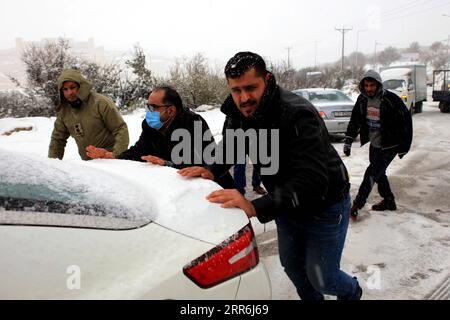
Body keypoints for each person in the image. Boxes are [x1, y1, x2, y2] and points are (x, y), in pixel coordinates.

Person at [178, 52, 362, 300]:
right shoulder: (236, 112)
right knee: (294, 267)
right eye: (236, 90)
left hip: (325, 205)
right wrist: (210, 169)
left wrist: (254, 207)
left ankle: (352, 292)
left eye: (251, 88)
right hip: (285, 205)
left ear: (267, 79)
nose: (244, 98)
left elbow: (314, 180)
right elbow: (233, 146)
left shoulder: (297, 113)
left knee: (323, 278)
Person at [86, 86, 234, 188]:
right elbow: (140, 150)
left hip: (213, 184)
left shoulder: (192, 122)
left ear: (170, 111)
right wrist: (114, 156)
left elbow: (201, 161)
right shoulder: (149, 125)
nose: (148, 111)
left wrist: (166, 164)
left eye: (153, 107)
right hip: (177, 185)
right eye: (147, 106)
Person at [344, 70, 413, 221]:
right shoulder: (362, 100)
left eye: (372, 85)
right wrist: (349, 139)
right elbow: (355, 119)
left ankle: (357, 205)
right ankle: (389, 201)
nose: (369, 89)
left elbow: (406, 122)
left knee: (371, 173)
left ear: (378, 85)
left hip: (389, 145)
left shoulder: (391, 99)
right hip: (374, 144)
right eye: (366, 85)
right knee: (378, 173)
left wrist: (404, 146)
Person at [48, 69, 129, 160]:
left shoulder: (100, 103)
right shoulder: (64, 111)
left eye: (72, 87)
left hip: (109, 161)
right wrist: (52, 164)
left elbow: (120, 129)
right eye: (65, 89)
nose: (69, 93)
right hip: (89, 166)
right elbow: (58, 139)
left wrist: (116, 155)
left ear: (81, 86)